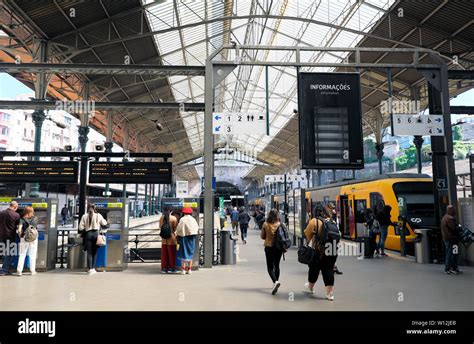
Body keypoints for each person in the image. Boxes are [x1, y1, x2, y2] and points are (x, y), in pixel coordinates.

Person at [303, 204, 338, 301]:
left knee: (314, 268)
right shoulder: (332, 221)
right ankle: (330, 294)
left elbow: (307, 234)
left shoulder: (314, 221)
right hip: (332, 249)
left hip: (319, 250)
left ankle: (310, 287)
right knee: (329, 270)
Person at [261, 208, 285, 295]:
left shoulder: (265, 224)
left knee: (270, 267)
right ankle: (276, 282)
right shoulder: (280, 224)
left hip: (268, 247)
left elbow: (262, 237)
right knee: (277, 266)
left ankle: (275, 282)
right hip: (278, 248)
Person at [79, 204, 108, 275]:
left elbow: (80, 227)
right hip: (95, 235)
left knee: (89, 252)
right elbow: (104, 223)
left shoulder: (84, 216)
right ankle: (93, 268)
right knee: (94, 252)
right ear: (94, 208)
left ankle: (90, 269)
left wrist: (86, 227)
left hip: (88, 234)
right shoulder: (98, 215)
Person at [16, 206, 38, 276]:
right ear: (30, 212)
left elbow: (19, 230)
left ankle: (19, 271)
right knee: (32, 254)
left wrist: (20, 236)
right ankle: (32, 271)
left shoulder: (21, 219)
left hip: (24, 238)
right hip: (33, 239)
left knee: (22, 254)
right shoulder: (35, 219)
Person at [176, 207, 199, 275]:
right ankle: (189, 269)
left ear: (183, 213)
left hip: (184, 238)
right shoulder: (193, 219)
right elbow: (197, 228)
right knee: (190, 253)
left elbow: (179, 229)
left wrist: (177, 233)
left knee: (183, 253)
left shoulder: (182, 219)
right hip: (192, 238)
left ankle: (183, 270)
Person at [0, 201, 20, 276]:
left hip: (2, 236)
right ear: (15, 207)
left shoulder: (1, 212)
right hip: (10, 236)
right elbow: (19, 226)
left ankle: (5, 269)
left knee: (4, 253)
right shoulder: (16, 215)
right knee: (10, 253)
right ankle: (4, 270)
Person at [441, 205, 462, 275]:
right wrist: (459, 227)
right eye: (453, 209)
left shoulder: (444, 217)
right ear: (450, 210)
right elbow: (454, 229)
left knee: (449, 253)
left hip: (447, 239)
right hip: (452, 239)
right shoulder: (450, 218)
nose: (455, 211)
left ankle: (450, 268)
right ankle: (451, 268)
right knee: (453, 254)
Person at [159, 208, 178, 274]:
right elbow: (175, 228)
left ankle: (164, 268)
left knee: (164, 254)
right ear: (171, 211)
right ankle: (171, 268)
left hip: (164, 239)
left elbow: (160, 226)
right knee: (172, 254)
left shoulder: (161, 218)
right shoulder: (174, 218)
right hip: (172, 238)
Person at [327, 202, 342, 274]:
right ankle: (332, 267)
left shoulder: (335, 216)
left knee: (334, 253)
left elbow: (337, 224)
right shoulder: (327, 217)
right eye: (332, 208)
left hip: (336, 236)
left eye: (334, 208)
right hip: (331, 237)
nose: (334, 209)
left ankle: (333, 267)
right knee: (331, 253)